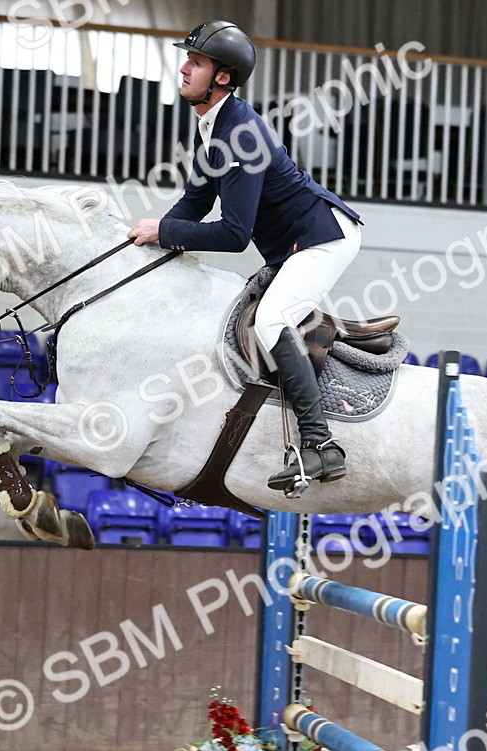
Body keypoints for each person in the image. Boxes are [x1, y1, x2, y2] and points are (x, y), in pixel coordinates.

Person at [129, 20, 363, 494]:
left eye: (195, 62)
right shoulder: (214, 123)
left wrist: (166, 232)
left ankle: (322, 445)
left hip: (323, 238)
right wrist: (153, 243)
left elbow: (235, 235)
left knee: (272, 323)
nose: (183, 67)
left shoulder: (239, 134)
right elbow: (196, 202)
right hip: (296, 242)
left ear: (221, 77)